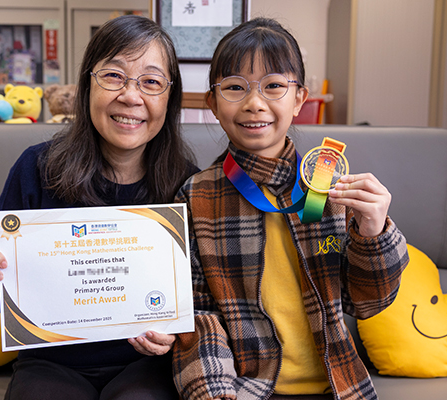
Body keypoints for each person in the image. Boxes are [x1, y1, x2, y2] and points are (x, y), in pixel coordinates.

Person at [171, 18, 409, 400]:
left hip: (339, 387)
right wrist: (214, 393)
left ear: (299, 98)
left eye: (274, 86)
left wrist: (374, 233)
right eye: (234, 87)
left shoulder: (330, 187)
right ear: (212, 102)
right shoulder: (197, 196)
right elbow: (199, 317)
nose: (254, 103)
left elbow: (368, 303)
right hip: (247, 390)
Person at [0, 15, 198, 400]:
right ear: (87, 84)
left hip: (147, 364)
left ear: (169, 98)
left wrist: (178, 333)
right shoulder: (36, 168)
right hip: (50, 361)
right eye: (114, 76)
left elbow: (201, 297)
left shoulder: (189, 184)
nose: (131, 96)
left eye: (151, 82)